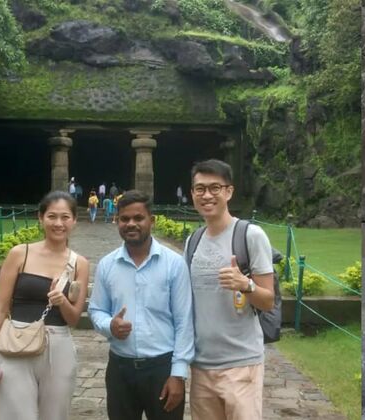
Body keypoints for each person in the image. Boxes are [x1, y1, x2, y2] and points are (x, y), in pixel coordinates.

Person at [0, 191, 90, 420]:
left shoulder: (79, 263)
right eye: (52, 216)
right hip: (16, 344)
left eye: (65, 217)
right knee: (17, 415)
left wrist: (61, 301)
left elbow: (74, 319)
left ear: (74, 221)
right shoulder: (20, 254)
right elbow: (1, 308)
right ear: (40, 218)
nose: (58, 223)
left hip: (58, 347)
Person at [89, 190, 195, 420]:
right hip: (120, 369)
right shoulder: (107, 265)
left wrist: (178, 374)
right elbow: (96, 309)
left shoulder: (174, 264)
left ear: (151, 220)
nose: (131, 224)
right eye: (124, 218)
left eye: (138, 218)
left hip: (162, 368)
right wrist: (110, 325)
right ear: (117, 221)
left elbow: (184, 321)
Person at [185, 159, 275, 420]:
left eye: (215, 187)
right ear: (192, 193)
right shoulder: (193, 241)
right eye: (200, 189)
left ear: (229, 191)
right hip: (201, 366)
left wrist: (245, 285)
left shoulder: (250, 235)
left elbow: (268, 300)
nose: (207, 195)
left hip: (241, 364)